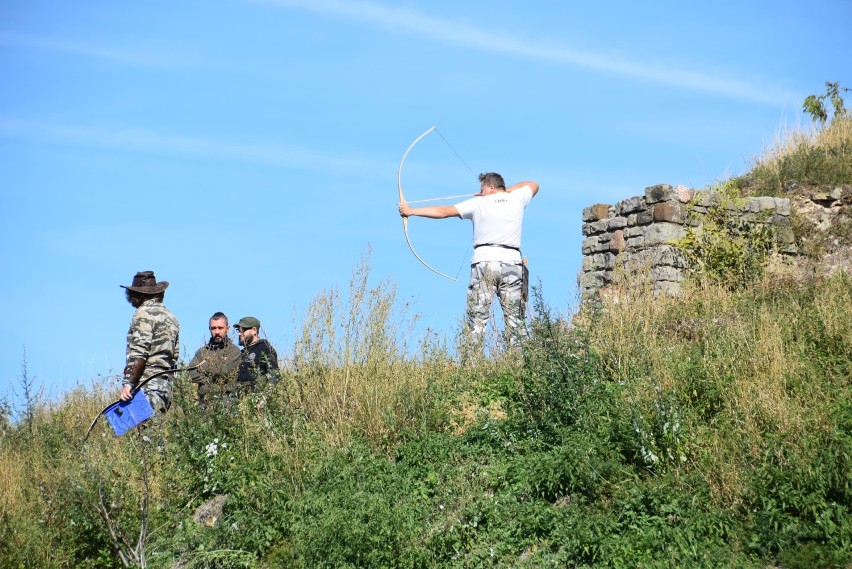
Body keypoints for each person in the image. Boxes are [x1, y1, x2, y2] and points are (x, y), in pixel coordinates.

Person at [399, 173, 539, 347]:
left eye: (482, 189)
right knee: (515, 320)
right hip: (512, 264)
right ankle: (519, 366)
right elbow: (533, 184)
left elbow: (443, 212)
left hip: (484, 263)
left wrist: (411, 211)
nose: (480, 192)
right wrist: (508, 191)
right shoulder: (517, 198)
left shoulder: (478, 203)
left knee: (477, 320)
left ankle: (472, 365)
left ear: (491, 187)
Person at [119, 271, 180, 414]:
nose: (130, 298)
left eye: (132, 294)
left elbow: (140, 353)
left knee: (144, 432)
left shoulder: (143, 314)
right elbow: (174, 355)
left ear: (140, 295)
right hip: (165, 386)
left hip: (146, 385)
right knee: (156, 431)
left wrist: (128, 384)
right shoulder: (171, 317)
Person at [187, 312, 241, 404]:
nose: (217, 332)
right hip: (203, 403)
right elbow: (190, 372)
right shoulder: (202, 351)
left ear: (227, 329)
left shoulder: (234, 351)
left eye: (220, 328)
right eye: (213, 328)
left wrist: (203, 370)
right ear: (209, 329)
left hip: (225, 401)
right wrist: (212, 375)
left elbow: (223, 371)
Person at [233, 316, 279, 387]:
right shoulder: (242, 353)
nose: (239, 333)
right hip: (239, 396)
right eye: (239, 330)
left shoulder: (264, 348)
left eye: (243, 330)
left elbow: (274, 375)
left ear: (254, 330)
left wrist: (264, 396)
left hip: (256, 395)